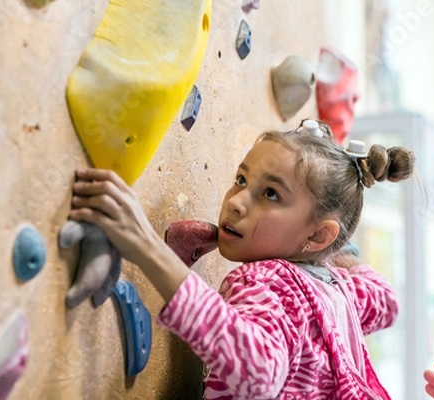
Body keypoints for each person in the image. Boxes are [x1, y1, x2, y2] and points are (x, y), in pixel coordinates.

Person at [68, 119, 414, 399]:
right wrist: (328, 248)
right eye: (241, 179)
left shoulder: (267, 281)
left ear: (318, 235)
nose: (235, 202)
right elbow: (386, 299)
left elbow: (258, 371)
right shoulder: (340, 292)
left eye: (271, 194)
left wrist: (144, 244)